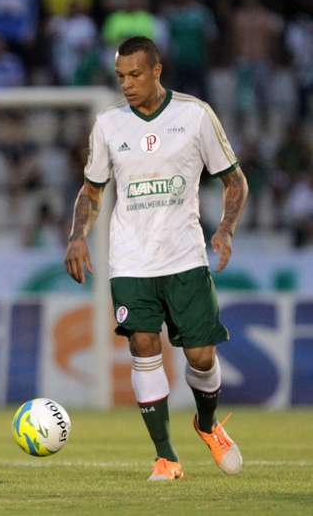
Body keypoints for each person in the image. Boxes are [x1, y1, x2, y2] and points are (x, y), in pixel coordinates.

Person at [64, 36, 249, 481]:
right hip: (130, 261)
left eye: (135, 75)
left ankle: (206, 425)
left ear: (157, 70)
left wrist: (224, 229)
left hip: (185, 256)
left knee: (201, 356)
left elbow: (234, 181)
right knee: (143, 346)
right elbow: (92, 191)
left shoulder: (195, 115)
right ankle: (166, 456)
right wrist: (76, 236)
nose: (126, 84)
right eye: (120, 77)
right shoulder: (109, 125)